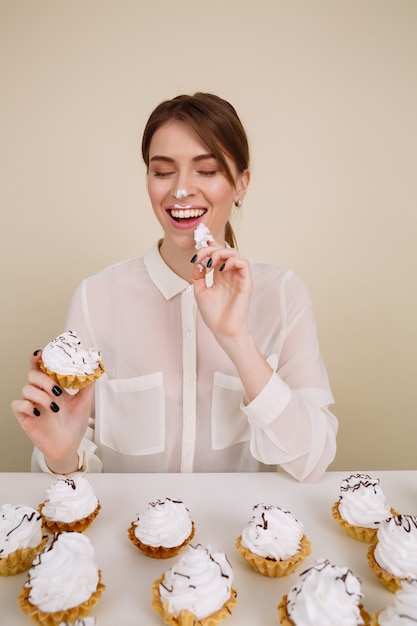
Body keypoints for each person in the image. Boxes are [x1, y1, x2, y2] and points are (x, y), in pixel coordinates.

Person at [11, 93, 338, 482]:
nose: (181, 190)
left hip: (237, 535)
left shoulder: (284, 294)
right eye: (163, 172)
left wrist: (237, 341)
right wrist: (62, 457)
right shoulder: (96, 296)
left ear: (241, 184)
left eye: (207, 170)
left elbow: (313, 461)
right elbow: (66, 460)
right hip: (128, 537)